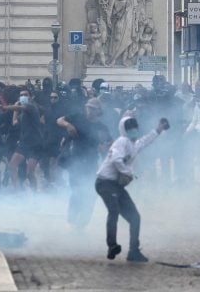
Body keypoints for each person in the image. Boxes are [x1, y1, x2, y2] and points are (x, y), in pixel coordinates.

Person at [95, 116, 170, 262]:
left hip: (115, 185)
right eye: (130, 128)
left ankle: (133, 251)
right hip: (105, 182)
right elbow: (116, 160)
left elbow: (146, 140)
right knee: (114, 211)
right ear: (124, 130)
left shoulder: (133, 144)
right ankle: (112, 246)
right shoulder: (122, 141)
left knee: (135, 217)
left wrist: (159, 129)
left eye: (135, 127)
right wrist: (129, 173)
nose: (133, 130)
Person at [57, 98, 112, 229]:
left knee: (91, 195)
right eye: (88, 107)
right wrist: (68, 125)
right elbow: (59, 120)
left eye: (92, 108)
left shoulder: (101, 128)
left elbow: (109, 144)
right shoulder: (78, 118)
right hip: (74, 161)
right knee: (77, 192)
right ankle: (71, 221)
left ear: (99, 111)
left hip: (91, 163)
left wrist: (105, 148)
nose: (89, 110)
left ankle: (82, 224)